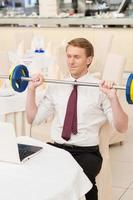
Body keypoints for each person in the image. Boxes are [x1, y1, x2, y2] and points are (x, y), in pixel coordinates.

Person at [26, 38, 128, 200]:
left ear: (89, 60)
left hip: (86, 152)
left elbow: (122, 127)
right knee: (37, 179)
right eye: (68, 56)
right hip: (57, 148)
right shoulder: (57, 86)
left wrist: (113, 98)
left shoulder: (100, 89)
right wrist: (31, 90)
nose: (71, 62)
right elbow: (33, 119)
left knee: (82, 183)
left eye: (77, 57)